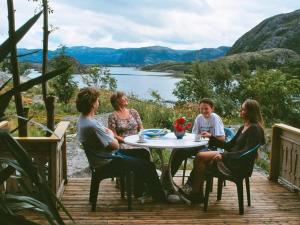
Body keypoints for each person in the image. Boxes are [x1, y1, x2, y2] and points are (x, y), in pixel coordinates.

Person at [76, 87, 166, 202]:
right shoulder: (92, 125)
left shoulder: (83, 119)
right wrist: (110, 133)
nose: (98, 102)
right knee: (149, 166)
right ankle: (161, 198)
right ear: (92, 104)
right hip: (108, 160)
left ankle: (139, 191)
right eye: (97, 100)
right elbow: (115, 146)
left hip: (103, 157)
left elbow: (107, 136)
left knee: (143, 153)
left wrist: (108, 133)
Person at [188, 99, 265, 204]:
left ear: (251, 112)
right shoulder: (244, 127)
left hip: (238, 164)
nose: (241, 111)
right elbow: (228, 146)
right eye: (241, 109)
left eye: (244, 110)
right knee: (201, 157)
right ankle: (197, 193)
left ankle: (195, 193)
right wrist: (211, 137)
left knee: (200, 156)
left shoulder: (254, 129)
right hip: (232, 158)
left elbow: (245, 153)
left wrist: (223, 156)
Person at [170, 98, 225, 187]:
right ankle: (167, 180)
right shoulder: (199, 118)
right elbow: (194, 135)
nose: (204, 111)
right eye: (201, 109)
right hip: (200, 145)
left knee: (199, 158)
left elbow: (222, 139)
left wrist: (210, 136)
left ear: (212, 109)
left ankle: (190, 185)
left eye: (206, 108)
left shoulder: (215, 118)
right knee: (179, 152)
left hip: (213, 147)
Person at [108, 91, 150, 161]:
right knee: (143, 152)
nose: (126, 98)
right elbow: (114, 135)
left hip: (137, 141)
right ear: (117, 101)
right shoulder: (113, 116)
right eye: (124, 97)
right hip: (124, 143)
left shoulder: (133, 112)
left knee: (145, 148)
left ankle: (146, 169)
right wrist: (126, 140)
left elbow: (141, 127)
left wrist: (140, 137)